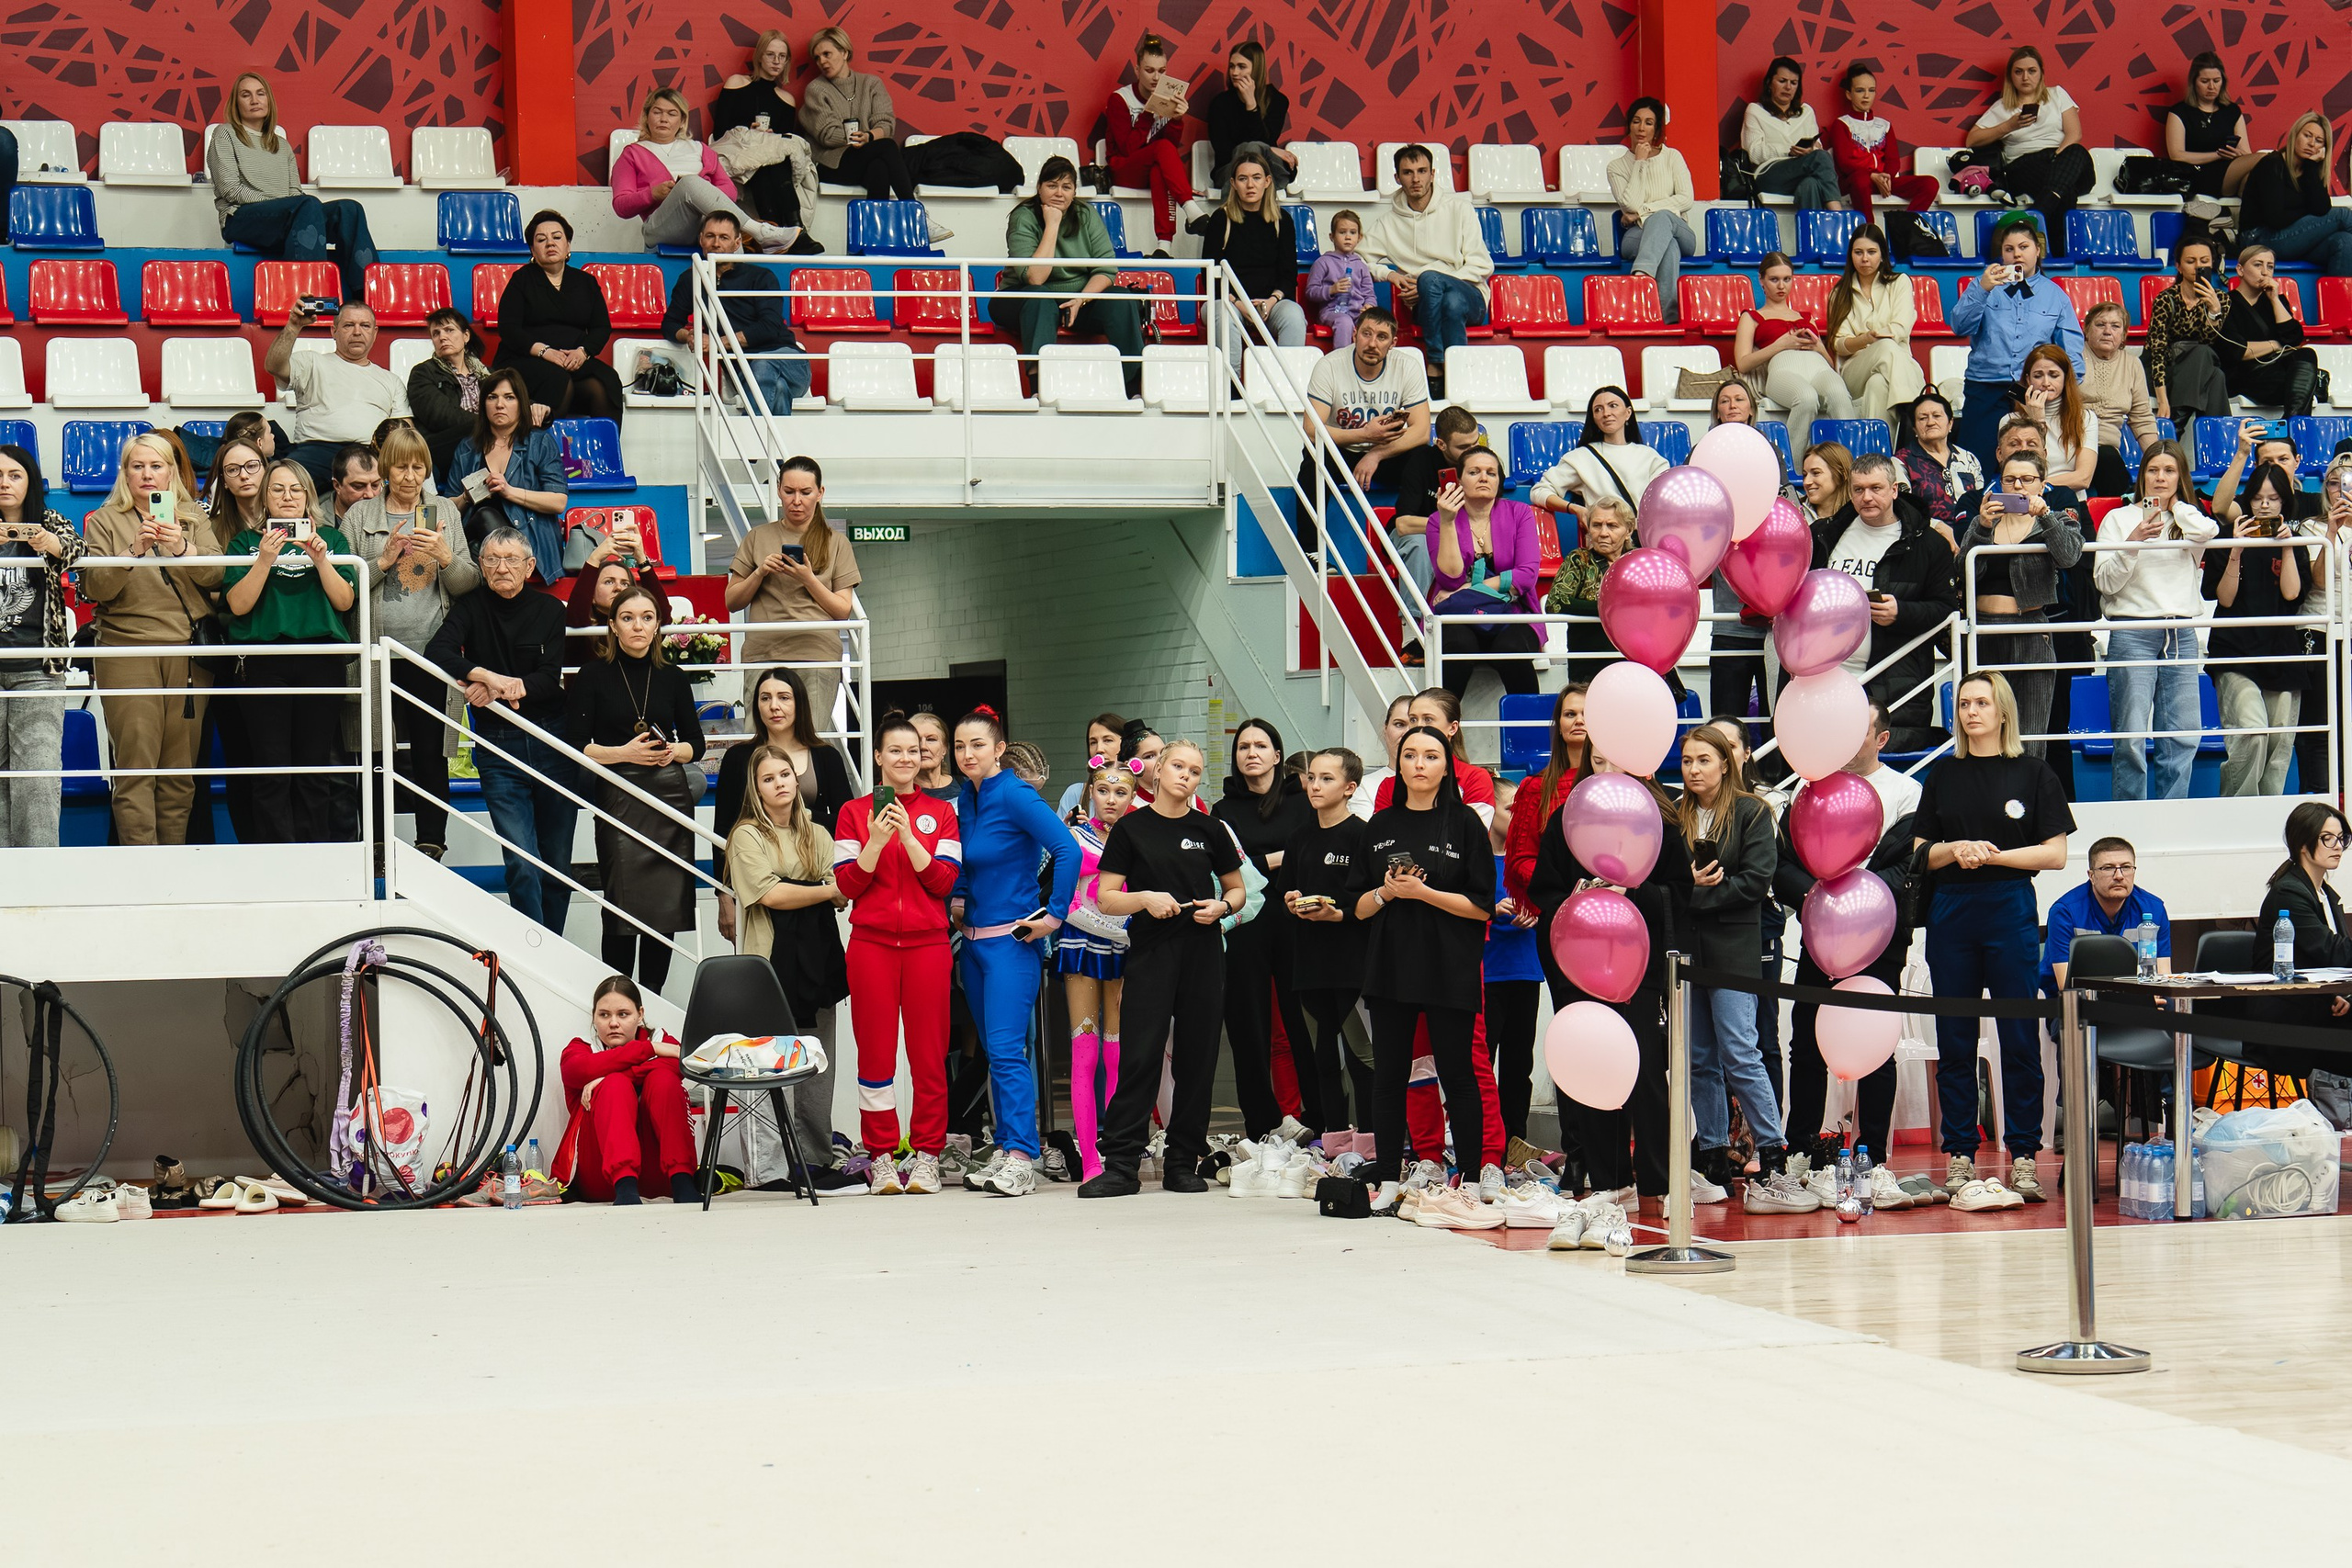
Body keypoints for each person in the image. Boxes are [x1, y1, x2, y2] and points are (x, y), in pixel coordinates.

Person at [1917, 670, 2073, 1204]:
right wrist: (1956, 849)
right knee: (1955, 1038)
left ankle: (2024, 1154)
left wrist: (1995, 854)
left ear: (2002, 711)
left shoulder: (2034, 773)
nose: (1970, 712)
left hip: (2009, 904)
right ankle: (1960, 1150)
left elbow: (2055, 854)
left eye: (1981, 702)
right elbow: (1921, 852)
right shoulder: (1942, 775)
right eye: (1963, 704)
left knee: (2019, 1038)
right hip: (1952, 909)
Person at [1080, 739, 1246, 1197]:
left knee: (1198, 1058)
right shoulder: (1132, 828)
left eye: (1194, 771)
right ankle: (1120, 1164)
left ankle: (1182, 1162)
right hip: (1152, 952)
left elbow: (1237, 890)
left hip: (1202, 950)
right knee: (1140, 1055)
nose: (1185, 776)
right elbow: (1105, 896)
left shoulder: (1211, 829)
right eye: (1177, 766)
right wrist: (1146, 899)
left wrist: (1223, 908)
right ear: (1157, 771)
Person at [1528, 753, 1689, 1219]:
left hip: (1637, 964)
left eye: (1616, 760)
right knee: (1595, 1071)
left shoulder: (1662, 819)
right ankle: (1610, 1180)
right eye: (1597, 760)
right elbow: (1544, 889)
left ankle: (1660, 1181)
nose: (1606, 768)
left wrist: (1631, 894)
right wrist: (1577, 898)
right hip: (1581, 963)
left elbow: (1679, 893)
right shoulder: (1566, 819)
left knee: (1646, 1074)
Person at [1345, 726, 1496, 1212]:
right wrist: (1388, 891)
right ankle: (1389, 1177)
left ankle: (1470, 1178)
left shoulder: (1466, 824)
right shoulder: (1379, 826)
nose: (1419, 764)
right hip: (1391, 967)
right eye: (1410, 755)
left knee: (1458, 1073)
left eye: (1431, 756)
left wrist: (1425, 893)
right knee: (1389, 1075)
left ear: (1446, 764)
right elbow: (1358, 909)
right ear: (1400, 764)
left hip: (1449, 966)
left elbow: (1482, 907)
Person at [1773, 702, 1920, 1185]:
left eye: (1860, 731)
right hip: (1820, 936)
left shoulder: (1906, 793)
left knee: (1874, 1046)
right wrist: (1819, 899)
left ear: (1881, 739)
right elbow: (1784, 866)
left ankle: (1872, 1155)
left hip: (1878, 939)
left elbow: (1906, 869)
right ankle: (1801, 1147)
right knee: (1807, 1042)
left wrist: (1856, 901)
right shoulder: (1808, 788)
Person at [949, 707, 1080, 1197]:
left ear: (999, 748)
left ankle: (1024, 1156)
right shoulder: (970, 795)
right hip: (975, 947)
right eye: (960, 746)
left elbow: (1067, 850)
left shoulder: (1015, 793)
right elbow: (966, 854)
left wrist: (1054, 914)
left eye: (977, 745)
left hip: (1012, 944)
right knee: (994, 1053)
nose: (968, 755)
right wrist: (959, 896)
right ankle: (1007, 1148)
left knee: (1007, 1052)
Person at [832, 714, 963, 1196]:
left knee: (928, 1057)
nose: (906, 759)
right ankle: (882, 1156)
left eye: (914, 751)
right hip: (871, 945)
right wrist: (878, 839)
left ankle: (927, 1156)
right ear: (878, 757)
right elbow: (846, 885)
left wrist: (908, 836)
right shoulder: (852, 812)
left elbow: (945, 883)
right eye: (896, 751)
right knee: (876, 1055)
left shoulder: (941, 813)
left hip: (929, 945)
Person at [426, 527, 576, 930]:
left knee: (557, 867)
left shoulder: (550, 611)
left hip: (552, 741)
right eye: (492, 559)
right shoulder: (470, 608)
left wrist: (508, 688)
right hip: (498, 747)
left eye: (512, 560)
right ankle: (533, 948)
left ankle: (554, 950)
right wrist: (487, 677)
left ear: (530, 567)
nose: (501, 568)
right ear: (480, 565)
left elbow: (550, 676)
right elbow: (437, 650)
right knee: (522, 863)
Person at [724, 743, 857, 1191]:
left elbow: (843, 891)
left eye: (785, 774)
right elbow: (769, 896)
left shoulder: (817, 832)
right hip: (771, 966)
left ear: (796, 780)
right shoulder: (745, 836)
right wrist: (818, 888)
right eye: (768, 778)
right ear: (756, 789)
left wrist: (814, 887)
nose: (779, 783)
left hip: (818, 959)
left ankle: (816, 1159)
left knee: (819, 1064)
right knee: (771, 1066)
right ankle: (772, 1169)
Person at [79, 434, 223, 846]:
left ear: (172, 472)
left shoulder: (193, 516)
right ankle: (140, 873)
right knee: (136, 771)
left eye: (156, 465)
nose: (147, 474)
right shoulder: (105, 520)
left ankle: (171, 876)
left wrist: (180, 546)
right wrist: (133, 551)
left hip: (187, 655)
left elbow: (217, 577)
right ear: (125, 473)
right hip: (127, 651)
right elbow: (95, 587)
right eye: (137, 466)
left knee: (179, 775)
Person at [346, 425, 476, 859]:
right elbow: (344, 585)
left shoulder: (445, 513)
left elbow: (467, 584)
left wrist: (444, 555)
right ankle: (378, 843)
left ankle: (432, 843)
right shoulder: (359, 516)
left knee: (430, 753)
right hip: (377, 654)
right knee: (377, 753)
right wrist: (383, 561)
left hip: (430, 654)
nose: (409, 475)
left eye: (418, 466)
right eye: (401, 466)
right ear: (385, 468)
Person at [1673, 727, 1790, 1204]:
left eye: (1704, 760)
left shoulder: (1752, 812)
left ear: (1727, 764)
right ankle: (1714, 1153)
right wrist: (1688, 892)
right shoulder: (1673, 814)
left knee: (1740, 1051)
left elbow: (1756, 881)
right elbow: (1665, 880)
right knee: (1699, 1059)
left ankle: (1773, 1149)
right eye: (1686, 761)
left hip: (1735, 949)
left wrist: (1694, 896)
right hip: (1687, 950)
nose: (1694, 769)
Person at [569, 584, 705, 992]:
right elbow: (576, 745)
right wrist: (624, 753)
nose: (638, 626)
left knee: (666, 910)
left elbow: (695, 744)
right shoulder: (593, 675)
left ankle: (653, 1002)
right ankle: (621, 1001)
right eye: (627, 618)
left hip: (668, 796)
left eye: (647, 618)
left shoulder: (673, 676)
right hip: (618, 793)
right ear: (612, 625)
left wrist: (673, 751)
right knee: (622, 909)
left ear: (658, 625)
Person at [219, 460, 358, 844]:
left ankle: (314, 857)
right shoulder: (245, 542)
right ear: (265, 496)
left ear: (308, 496)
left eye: (296, 489)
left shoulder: (333, 539)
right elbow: (239, 605)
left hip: (320, 660)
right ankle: (276, 860)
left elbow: (345, 601)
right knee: (271, 771)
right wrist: (264, 559)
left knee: (315, 770)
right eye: (278, 489)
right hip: (264, 661)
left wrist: (320, 559)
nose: (287, 497)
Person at [2097, 440, 2218, 800]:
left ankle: (2171, 817)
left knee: (2182, 735)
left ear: (2180, 476)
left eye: (2169, 470)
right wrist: (2132, 542)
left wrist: (2176, 506)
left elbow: (2209, 533)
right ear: (2141, 474)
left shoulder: (2188, 519)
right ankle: (2130, 821)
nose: (2160, 478)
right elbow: (2104, 582)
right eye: (2153, 470)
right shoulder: (2118, 518)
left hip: (2180, 630)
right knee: (2130, 737)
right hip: (2132, 630)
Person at [1212, 718, 1315, 1134]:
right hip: (1245, 927)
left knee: (1302, 1025)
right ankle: (1261, 1123)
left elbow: (1312, 856)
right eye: (1243, 746)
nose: (1251, 753)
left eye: (1260, 745)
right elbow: (1225, 872)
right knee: (1247, 1027)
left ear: (1277, 755)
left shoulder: (1303, 801)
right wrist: (1278, 858)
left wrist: (1255, 861)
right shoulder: (1224, 811)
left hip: (1297, 922)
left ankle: (1318, 1120)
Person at [1815, 451, 1957, 753]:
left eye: (1876, 488)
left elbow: (1946, 611)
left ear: (1894, 490)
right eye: (1858, 489)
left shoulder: (1928, 544)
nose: (1867, 497)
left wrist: (1901, 612)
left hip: (1895, 684)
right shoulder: (1826, 535)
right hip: (1829, 679)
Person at [1958, 446, 2082, 762]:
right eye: (2009, 479)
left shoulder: (2053, 520)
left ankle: (2028, 804)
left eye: (2027, 479)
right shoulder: (1983, 520)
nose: (2017, 486)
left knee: (2031, 730)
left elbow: (2069, 557)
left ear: (2042, 485)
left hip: (2030, 630)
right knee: (1985, 729)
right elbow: (1960, 572)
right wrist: (1983, 527)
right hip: (1983, 630)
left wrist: (2045, 515)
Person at [209, 72, 378, 301]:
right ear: (236, 103)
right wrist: (282, 205)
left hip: (286, 217)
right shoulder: (225, 134)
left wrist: (289, 206)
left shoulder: (282, 145)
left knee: (349, 210)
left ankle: (367, 297)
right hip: (240, 218)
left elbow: (294, 193)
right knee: (306, 205)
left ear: (269, 100)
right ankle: (312, 298)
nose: (254, 100)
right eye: (245, 95)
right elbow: (230, 189)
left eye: (260, 94)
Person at [714, 662, 853, 942]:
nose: (774, 706)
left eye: (784, 697)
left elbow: (846, 821)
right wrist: (723, 895)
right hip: (759, 884)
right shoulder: (738, 758)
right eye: (765, 698)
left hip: (813, 880)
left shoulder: (826, 755)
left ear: (799, 703)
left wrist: (798, 815)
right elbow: (723, 830)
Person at [724, 457, 861, 735]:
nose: (796, 500)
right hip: (763, 655)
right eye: (789, 492)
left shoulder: (837, 543)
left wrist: (807, 579)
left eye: (805, 492)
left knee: (810, 741)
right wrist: (760, 573)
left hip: (816, 655)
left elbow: (842, 610)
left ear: (820, 493)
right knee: (760, 745)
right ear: (778, 490)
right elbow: (732, 601)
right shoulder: (756, 537)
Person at [991, 156, 1147, 398]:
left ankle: (1133, 388)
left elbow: (1105, 270)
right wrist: (1052, 224)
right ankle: (1039, 389)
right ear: (1039, 188)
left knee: (1121, 298)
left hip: (1075, 300)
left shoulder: (1086, 215)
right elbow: (1035, 279)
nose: (1059, 194)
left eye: (1066, 187)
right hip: (1023, 298)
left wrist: (1081, 300)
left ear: (1074, 191)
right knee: (1040, 298)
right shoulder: (1023, 216)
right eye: (1051, 186)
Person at [1283, 747, 1374, 1151]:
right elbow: (1287, 892)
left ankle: (1373, 1144)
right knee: (1324, 1058)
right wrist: (1292, 902)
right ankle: (1335, 1144)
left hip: (1353, 965)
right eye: (1312, 777)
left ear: (1350, 787)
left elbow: (1375, 901)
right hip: (1310, 962)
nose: (1315, 785)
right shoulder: (1300, 836)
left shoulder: (1363, 835)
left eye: (1327, 778)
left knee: (1362, 1057)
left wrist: (1339, 915)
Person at [2204, 463, 2311, 795]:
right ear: (2248, 500)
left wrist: (2288, 546)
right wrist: (2236, 549)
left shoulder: (2297, 542)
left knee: (2280, 742)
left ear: (2284, 503)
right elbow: (2224, 597)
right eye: (2259, 498)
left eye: (2274, 498)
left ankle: (2269, 815)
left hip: (2282, 652)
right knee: (2253, 732)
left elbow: (2292, 594)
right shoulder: (2225, 539)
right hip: (2235, 651)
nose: (2265, 505)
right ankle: (2239, 810)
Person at [1950, 215, 2084, 468]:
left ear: (2037, 251)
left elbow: (2071, 353)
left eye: (2024, 247)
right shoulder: (1983, 286)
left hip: (2032, 392)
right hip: (1984, 387)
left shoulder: (2056, 296)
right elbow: (1959, 326)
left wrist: (2065, 397)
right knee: (1978, 463)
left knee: (2027, 463)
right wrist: (1982, 288)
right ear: (2001, 254)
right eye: (2009, 249)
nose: (2017, 254)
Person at [1297, 309, 1434, 556]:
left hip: (1386, 453)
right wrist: (1364, 435)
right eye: (1366, 334)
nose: (1372, 343)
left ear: (1393, 343)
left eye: (1381, 337)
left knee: (1425, 458)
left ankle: (1413, 540)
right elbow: (1311, 430)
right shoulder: (1329, 366)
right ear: (1354, 334)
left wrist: (1376, 454)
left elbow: (1422, 431)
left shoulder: (1407, 366)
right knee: (1314, 460)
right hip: (1343, 449)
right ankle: (1311, 552)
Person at [0, 445, 82, 848]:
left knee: (38, 777)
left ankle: (39, 872)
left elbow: (79, 550)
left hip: (38, 668)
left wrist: (48, 542)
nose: (4, 483)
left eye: (14, 475)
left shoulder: (47, 519)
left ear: (30, 480)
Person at [1359, 144, 1493, 389]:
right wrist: (1389, 274)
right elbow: (1357, 261)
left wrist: (1431, 282)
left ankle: (1435, 363)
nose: (1416, 178)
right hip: (1424, 306)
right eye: (1408, 173)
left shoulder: (1459, 209)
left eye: (1422, 171)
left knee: (1433, 281)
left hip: (1471, 297)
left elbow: (1481, 266)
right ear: (1398, 178)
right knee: (1448, 303)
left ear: (1433, 174)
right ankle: (1460, 382)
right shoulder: (1388, 223)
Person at [557, 976, 699, 1204]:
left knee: (663, 1079)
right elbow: (574, 1071)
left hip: (662, 1176)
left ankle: (683, 1180)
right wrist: (650, 1049)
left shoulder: (663, 1040)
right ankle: (626, 1189)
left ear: (640, 1014)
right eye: (604, 1015)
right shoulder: (581, 1048)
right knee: (614, 1086)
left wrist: (612, 1076)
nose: (614, 1023)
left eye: (623, 1014)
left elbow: (681, 1064)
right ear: (594, 1017)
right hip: (602, 1178)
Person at [1060, 757, 1137, 1180]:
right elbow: (1064, 901)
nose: (1111, 799)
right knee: (1085, 1052)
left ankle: (1119, 1152)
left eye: (1121, 791)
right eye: (1103, 790)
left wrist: (1128, 931)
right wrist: (1116, 927)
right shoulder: (1073, 837)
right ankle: (1090, 1158)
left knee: (1118, 1051)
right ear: (1090, 791)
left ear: (1132, 796)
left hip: (1125, 951)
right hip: (1082, 946)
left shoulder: (1138, 837)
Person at [611, 85, 799, 256]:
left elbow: (730, 192)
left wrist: (702, 192)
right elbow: (621, 206)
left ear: (682, 120)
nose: (664, 119)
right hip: (661, 227)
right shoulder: (632, 154)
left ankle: (741, 284)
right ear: (647, 116)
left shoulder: (700, 148)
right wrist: (653, 194)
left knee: (726, 231)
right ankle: (759, 231)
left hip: (705, 224)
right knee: (690, 184)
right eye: (657, 112)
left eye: (672, 114)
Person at [660, 209, 810, 415]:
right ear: (701, 239)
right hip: (745, 371)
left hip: (788, 360)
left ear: (737, 242)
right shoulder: (692, 279)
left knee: (763, 365)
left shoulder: (761, 276)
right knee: (778, 390)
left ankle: (748, 440)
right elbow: (670, 324)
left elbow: (770, 327)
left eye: (724, 237)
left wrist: (717, 342)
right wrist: (690, 335)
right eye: (710, 236)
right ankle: (769, 447)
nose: (716, 243)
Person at [1426, 446, 1544, 701]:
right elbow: (1450, 578)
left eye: (1491, 473)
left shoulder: (1520, 513)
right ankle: (1443, 733)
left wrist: (1469, 591)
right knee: (1459, 647)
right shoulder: (1438, 520)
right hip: (1460, 617)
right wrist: (1448, 521)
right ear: (1458, 481)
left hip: (1515, 613)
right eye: (1474, 472)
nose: (1484, 477)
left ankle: (1530, 733)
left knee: (1510, 648)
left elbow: (1526, 575)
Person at [494, 211, 625, 430]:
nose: (550, 244)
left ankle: (605, 458)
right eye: (541, 240)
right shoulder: (521, 280)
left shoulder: (586, 282)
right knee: (557, 379)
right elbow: (509, 329)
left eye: (556, 237)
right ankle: (546, 454)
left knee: (606, 381)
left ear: (568, 246)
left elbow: (601, 327)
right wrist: (545, 352)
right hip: (526, 359)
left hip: (573, 358)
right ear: (532, 250)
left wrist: (583, 353)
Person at [265, 301, 408, 492]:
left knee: (416, 470)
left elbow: (405, 430)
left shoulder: (391, 380)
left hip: (371, 453)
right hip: (318, 450)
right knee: (284, 480)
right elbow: (273, 366)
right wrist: (293, 326)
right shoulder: (312, 362)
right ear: (333, 331)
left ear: (375, 332)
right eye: (348, 325)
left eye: (365, 326)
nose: (357, 332)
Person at [1962, 46, 2093, 253]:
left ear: (2041, 73)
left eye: (2031, 71)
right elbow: (1972, 139)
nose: (2025, 77)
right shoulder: (2003, 107)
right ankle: (2061, 257)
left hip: (2062, 159)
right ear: (2010, 76)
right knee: (2064, 193)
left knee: (2078, 151)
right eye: (2019, 71)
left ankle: (2039, 212)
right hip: (2026, 168)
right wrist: (2009, 126)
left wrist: (2057, 159)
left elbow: (2074, 134)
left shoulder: (2057, 95)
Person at [1187, 146, 1304, 371]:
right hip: (1229, 301)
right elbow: (1210, 274)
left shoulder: (1283, 220)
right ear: (1233, 184)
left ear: (1268, 181)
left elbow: (1288, 275)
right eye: (1243, 178)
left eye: (1256, 178)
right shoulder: (1221, 219)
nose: (1250, 185)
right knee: (1223, 313)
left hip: (1270, 303)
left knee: (1294, 315)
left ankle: (1289, 387)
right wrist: (1239, 304)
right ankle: (1231, 388)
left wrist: (1270, 302)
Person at [2252, 803, 2352, 1065]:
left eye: (2342, 838)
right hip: (2286, 1014)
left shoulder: (2326, 895)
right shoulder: (2289, 893)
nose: (2338, 846)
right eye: (2328, 838)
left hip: (2317, 1005)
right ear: (2303, 845)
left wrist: (2343, 997)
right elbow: (2331, 951)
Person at [448, 367, 569, 582]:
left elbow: (558, 501)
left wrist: (508, 491)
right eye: (492, 397)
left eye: (509, 397)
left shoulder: (540, 442)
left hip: (530, 544)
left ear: (521, 404)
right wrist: (466, 497)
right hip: (477, 541)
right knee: (483, 517)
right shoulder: (466, 449)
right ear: (483, 404)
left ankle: (503, 571)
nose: (499, 404)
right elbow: (447, 508)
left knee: (486, 527)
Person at [1735, 253, 1854, 454]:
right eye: (1774, 280)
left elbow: (1831, 364)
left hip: (1819, 368)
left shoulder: (1806, 317)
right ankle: (1792, 470)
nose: (1781, 286)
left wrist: (1820, 348)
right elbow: (1743, 363)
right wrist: (1780, 345)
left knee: (1840, 395)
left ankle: (1852, 464)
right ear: (1761, 281)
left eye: (1787, 279)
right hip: (1782, 372)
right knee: (1806, 398)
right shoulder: (1752, 316)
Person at [2041, 836, 2170, 997]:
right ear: (2091, 876)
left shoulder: (2154, 908)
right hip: (2077, 1007)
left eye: (2126, 867)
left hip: (2140, 1001)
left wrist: (2149, 1002)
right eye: (2108, 868)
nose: (2119, 876)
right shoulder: (2065, 912)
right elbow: (2067, 987)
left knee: (2169, 1007)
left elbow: (2164, 979)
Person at [710, 28, 812, 230]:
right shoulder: (737, 82)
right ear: (759, 57)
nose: (776, 61)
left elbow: (784, 145)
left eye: (782, 56)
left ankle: (785, 230)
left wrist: (770, 137)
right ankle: (793, 230)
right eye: (771, 55)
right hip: (738, 154)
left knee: (774, 160)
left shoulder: (786, 99)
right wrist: (748, 130)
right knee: (764, 165)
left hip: (770, 161)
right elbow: (720, 131)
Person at [1824, 224, 1923, 429]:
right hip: (1855, 371)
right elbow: (1838, 344)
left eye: (1871, 252)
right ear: (1851, 255)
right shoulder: (1839, 293)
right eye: (1858, 252)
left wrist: (1877, 338)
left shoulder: (1900, 282)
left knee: (1877, 385)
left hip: (1895, 364)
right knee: (1886, 346)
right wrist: (1866, 339)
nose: (1865, 259)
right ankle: (1914, 413)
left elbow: (1902, 327)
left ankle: (1878, 452)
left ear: (1882, 255)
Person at [1103, 33, 1195, 252]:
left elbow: (1169, 150)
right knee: (1161, 150)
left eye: (1162, 71)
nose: (1156, 77)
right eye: (1149, 70)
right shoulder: (1120, 99)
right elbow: (1127, 149)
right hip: (1123, 169)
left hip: (1150, 166)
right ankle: (1190, 209)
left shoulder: (1169, 96)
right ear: (1137, 70)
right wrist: (1148, 113)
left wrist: (1176, 120)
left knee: (1159, 170)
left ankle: (1164, 246)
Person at [802, 27, 917, 202]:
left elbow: (886, 124)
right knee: (886, 146)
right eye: (817, 58)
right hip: (831, 164)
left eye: (827, 54)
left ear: (845, 53)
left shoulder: (871, 83)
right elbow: (829, 135)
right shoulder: (816, 89)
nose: (822, 61)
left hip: (864, 159)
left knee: (879, 168)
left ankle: (875, 229)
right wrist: (863, 137)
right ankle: (915, 212)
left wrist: (868, 137)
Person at [1609, 96, 1698, 321]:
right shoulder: (1616, 167)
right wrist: (1639, 162)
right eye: (1636, 121)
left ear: (1656, 128)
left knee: (1662, 218)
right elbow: (1629, 203)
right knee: (1668, 248)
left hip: (1679, 230)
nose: (1641, 128)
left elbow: (1686, 199)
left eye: (1649, 122)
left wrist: (1642, 212)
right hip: (1636, 236)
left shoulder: (1672, 157)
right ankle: (1668, 319)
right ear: (1629, 125)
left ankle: (1640, 279)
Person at [1531, 385, 1668, 524]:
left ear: (1628, 413)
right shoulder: (1582, 457)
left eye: (1613, 406)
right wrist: (1575, 509)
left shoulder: (1650, 457)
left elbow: (1665, 503)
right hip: (1604, 539)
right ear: (1594, 419)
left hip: (1643, 537)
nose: (1606, 413)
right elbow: (1539, 491)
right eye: (1598, 409)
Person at [1823, 62, 1939, 226]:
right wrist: (1872, 175)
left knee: (1930, 184)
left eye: (1871, 90)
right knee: (1860, 179)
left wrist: (1886, 177)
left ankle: (1907, 227)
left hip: (1884, 182)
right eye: (1860, 90)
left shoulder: (1885, 125)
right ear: (1849, 94)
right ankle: (1869, 229)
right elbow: (1845, 162)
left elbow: (1893, 160)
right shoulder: (1841, 124)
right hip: (1857, 183)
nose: (1866, 96)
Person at [2237, 113, 2352, 277]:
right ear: (2295, 135)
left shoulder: (2310, 170)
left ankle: (2339, 302)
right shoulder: (2272, 165)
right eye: (2307, 136)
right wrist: (2308, 211)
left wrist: (2312, 167)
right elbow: (2275, 218)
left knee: (2345, 241)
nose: (2312, 144)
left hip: (2292, 241)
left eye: (2319, 141)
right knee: (2342, 215)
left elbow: (2321, 208)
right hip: (2258, 239)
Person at [2218, 243, 2320, 417]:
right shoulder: (2225, 303)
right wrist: (2276, 344)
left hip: (2276, 372)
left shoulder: (2277, 300)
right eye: (2258, 265)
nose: (2265, 272)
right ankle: (2294, 428)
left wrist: (2274, 300)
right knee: (2303, 388)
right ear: (2240, 270)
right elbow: (2239, 351)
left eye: (2270, 266)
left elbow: (2294, 339)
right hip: (2244, 375)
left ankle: (2292, 420)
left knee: (2307, 355)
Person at [2144, 237, 2233, 434]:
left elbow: (2211, 341)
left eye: (2204, 261)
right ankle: (2213, 442)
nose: (2198, 266)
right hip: (2163, 372)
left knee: (2212, 368)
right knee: (2209, 364)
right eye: (2190, 261)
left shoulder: (2222, 300)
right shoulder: (2165, 299)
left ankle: (2178, 429)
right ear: (2178, 266)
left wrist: (2213, 311)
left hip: (2197, 370)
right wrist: (2162, 400)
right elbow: (2156, 352)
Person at [1546, 494, 1634, 686]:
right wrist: (1609, 608)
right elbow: (1555, 603)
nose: (1603, 533)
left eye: (1612, 526)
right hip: (1588, 664)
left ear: (1628, 530)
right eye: (1596, 525)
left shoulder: (1639, 563)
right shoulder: (1580, 559)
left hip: (1632, 661)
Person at [406, 308, 492, 485]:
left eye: (449, 330)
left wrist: (534, 408)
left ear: (466, 336)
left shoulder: (487, 374)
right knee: (479, 430)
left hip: (487, 437)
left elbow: (512, 394)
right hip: (441, 445)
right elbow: (441, 416)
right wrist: (490, 424)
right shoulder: (423, 373)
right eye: (436, 333)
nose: (442, 337)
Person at [2080, 302, 2159, 497]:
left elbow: (2142, 418)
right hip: (2073, 443)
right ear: (2086, 330)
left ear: (2123, 335)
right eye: (2100, 325)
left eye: (2115, 326)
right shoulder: (2072, 357)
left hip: (2107, 449)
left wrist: (2158, 460)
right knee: (2109, 462)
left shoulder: (2132, 364)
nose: (2108, 331)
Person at [1742, 56, 1842, 209]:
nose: (1788, 87)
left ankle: (1812, 233)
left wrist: (1809, 150)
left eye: (1793, 83)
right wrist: (1790, 151)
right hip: (1768, 174)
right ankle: (1838, 214)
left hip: (1801, 173)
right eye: (1782, 81)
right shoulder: (1755, 110)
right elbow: (1754, 153)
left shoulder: (1806, 112)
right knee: (1822, 157)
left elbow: (1817, 148)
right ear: (1769, 83)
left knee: (1811, 184)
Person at [2159, 52, 2262, 200]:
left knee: (2253, 179)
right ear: (2194, 82)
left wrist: (2239, 155)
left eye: (2216, 80)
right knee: (2264, 159)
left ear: (2223, 82)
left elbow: (2246, 152)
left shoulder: (2232, 111)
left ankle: (2250, 219)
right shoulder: (2179, 112)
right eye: (2205, 81)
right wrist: (2218, 155)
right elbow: (2177, 155)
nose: (2211, 87)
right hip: (2197, 175)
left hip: (2231, 173)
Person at [1205, 39, 1296, 187]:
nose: (1234, 73)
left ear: (1256, 69)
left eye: (1241, 67)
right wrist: (1269, 149)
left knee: (1254, 150)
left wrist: (1252, 106)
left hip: (1269, 169)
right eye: (1232, 66)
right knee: (1251, 150)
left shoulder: (1277, 100)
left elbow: (1269, 137)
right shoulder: (1220, 103)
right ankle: (1256, 210)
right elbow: (1224, 152)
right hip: (1230, 171)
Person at [2008, 344, 2098, 493]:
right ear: (2028, 380)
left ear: (2065, 378)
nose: (2046, 383)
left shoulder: (2085, 418)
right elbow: (2021, 472)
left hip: (2069, 501)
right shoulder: (2010, 421)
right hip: (2026, 502)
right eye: (2038, 376)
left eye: (2053, 375)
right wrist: (2037, 422)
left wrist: (2038, 485)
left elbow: (2083, 478)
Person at [1897, 390, 1984, 530]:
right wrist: (1938, 527)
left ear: (1950, 423)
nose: (1931, 422)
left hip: (1972, 532)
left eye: (1937, 416)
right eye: (1922, 418)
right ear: (1914, 428)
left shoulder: (1968, 458)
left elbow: (1982, 502)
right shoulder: (1901, 462)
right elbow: (1905, 509)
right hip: (1928, 534)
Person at [1304, 209, 1377, 346]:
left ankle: (1365, 363)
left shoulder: (1361, 266)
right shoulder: (1323, 262)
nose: (1348, 237)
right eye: (1342, 232)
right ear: (1332, 237)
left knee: (1375, 323)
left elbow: (1369, 294)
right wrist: (1331, 289)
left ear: (1359, 237)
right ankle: (1340, 361)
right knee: (1344, 322)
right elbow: (1311, 292)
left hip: (1358, 313)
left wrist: (1369, 306)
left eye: (1353, 233)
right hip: (1332, 312)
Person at [1055, 712, 1129, 818]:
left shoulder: (1141, 796)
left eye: (1108, 740)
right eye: (1093, 742)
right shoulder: (1076, 793)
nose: (1099, 749)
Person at [1796, 440, 1853, 525]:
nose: (1806, 482)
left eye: (1816, 473)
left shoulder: (1860, 517)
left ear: (1842, 475)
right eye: (1805, 475)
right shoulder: (1794, 514)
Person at [328, 444, 380, 529]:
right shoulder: (317, 523)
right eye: (358, 486)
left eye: (375, 485)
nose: (370, 494)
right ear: (337, 485)